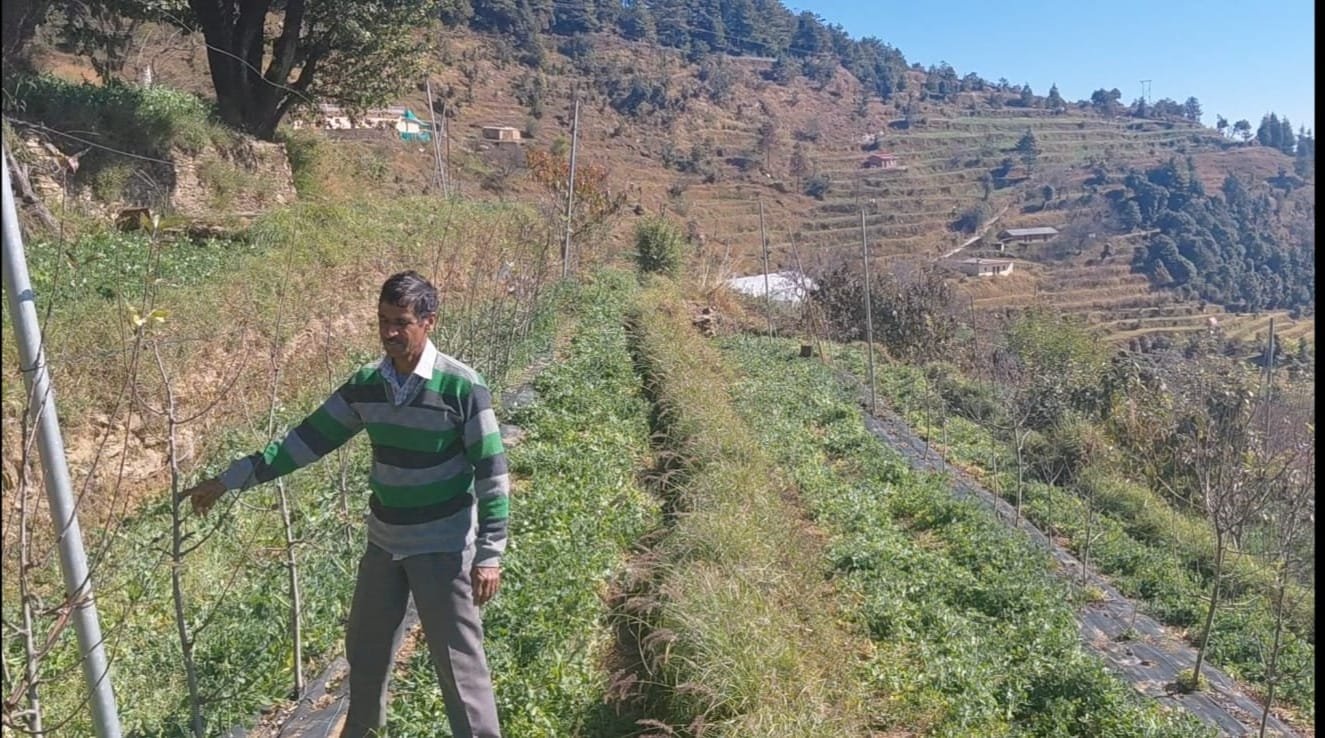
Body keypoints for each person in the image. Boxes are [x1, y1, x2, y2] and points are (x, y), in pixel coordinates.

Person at [181, 270, 508, 738]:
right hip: (385, 544)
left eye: (401, 322)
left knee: (460, 666)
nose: (389, 333)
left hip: (443, 545)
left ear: (429, 321)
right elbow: (305, 441)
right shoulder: (367, 384)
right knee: (366, 655)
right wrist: (230, 479)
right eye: (383, 321)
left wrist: (489, 554)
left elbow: (491, 472)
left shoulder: (462, 386)